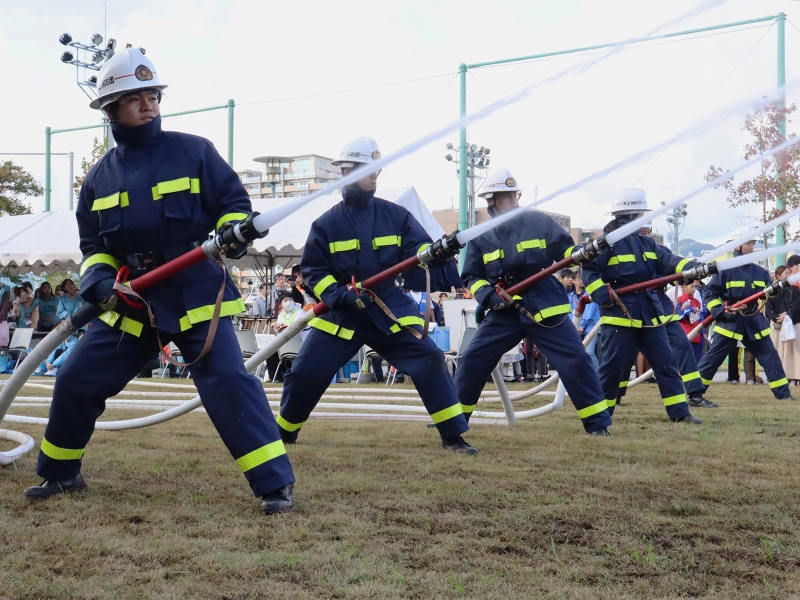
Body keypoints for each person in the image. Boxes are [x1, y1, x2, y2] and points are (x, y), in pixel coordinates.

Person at [23, 48, 295, 514]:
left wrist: (232, 231)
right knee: (74, 378)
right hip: (133, 300)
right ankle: (61, 472)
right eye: (136, 98)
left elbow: (232, 202)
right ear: (111, 110)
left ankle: (274, 485)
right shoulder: (97, 180)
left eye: (153, 95)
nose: (149, 104)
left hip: (195, 293)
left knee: (228, 381)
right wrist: (99, 281)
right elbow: (95, 246)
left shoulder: (194, 151)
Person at [277, 137, 474, 453]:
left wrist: (434, 252)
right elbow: (314, 271)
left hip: (388, 310)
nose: (375, 175)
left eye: (377, 170)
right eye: (367, 168)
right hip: (342, 314)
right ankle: (284, 434)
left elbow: (416, 253)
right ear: (346, 171)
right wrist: (341, 295)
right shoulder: (326, 224)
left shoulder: (395, 215)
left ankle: (453, 437)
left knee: (431, 359)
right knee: (304, 373)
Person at [454, 169, 613, 436]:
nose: (514, 200)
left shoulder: (538, 222)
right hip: (503, 310)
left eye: (515, 194)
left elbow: (565, 250)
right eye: (506, 196)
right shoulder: (480, 235)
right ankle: (454, 422)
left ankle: (598, 424)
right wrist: (488, 295)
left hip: (545, 307)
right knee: (471, 359)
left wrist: (579, 253)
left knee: (576, 360)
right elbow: (472, 276)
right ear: (491, 201)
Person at [582, 188, 702, 424]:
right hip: (619, 315)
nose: (646, 220)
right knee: (612, 369)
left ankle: (680, 412)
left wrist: (692, 265)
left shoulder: (647, 244)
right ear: (629, 215)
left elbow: (668, 261)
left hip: (649, 314)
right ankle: (601, 416)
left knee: (666, 363)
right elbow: (589, 272)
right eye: (642, 215)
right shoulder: (605, 245)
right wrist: (602, 294)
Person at [696, 229, 794, 401]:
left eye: (753, 243)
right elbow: (709, 294)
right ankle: (694, 394)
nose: (752, 247)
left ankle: (783, 394)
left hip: (753, 320)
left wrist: (777, 288)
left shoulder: (760, 272)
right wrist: (720, 312)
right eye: (749, 243)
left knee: (770, 355)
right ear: (737, 245)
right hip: (730, 320)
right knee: (713, 359)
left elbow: (767, 294)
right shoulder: (724, 270)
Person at [765, 260, 800, 385]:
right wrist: (777, 317)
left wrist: (787, 315)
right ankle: (778, 377)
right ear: (778, 275)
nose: (788, 275)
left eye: (789, 273)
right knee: (777, 351)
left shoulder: (794, 288)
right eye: (785, 273)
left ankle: (794, 377)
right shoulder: (771, 290)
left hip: (793, 323)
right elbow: (768, 308)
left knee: (793, 352)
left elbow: (797, 305)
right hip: (777, 326)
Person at [569, 272, 601, 371]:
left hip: (591, 328)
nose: (581, 281)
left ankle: (599, 377)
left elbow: (589, 312)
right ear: (573, 281)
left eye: (582, 278)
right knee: (576, 353)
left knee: (589, 352)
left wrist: (581, 325)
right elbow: (569, 312)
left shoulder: (590, 294)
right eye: (579, 278)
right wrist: (574, 325)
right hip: (577, 327)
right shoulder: (570, 296)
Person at [677, 281, 706, 365]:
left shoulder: (698, 302)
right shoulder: (679, 300)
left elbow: (700, 318)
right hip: (684, 333)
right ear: (684, 287)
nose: (694, 289)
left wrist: (703, 332)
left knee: (697, 359)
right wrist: (689, 310)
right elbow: (679, 316)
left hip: (697, 334)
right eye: (692, 287)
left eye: (695, 287)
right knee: (684, 359)